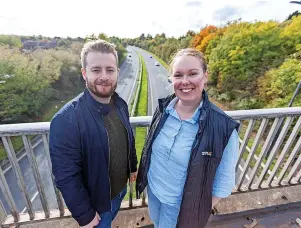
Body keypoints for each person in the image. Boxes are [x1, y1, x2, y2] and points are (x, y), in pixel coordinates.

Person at [136, 48, 240, 228]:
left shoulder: (223, 127)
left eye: (193, 73)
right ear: (172, 79)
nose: (185, 81)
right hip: (154, 193)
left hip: (180, 207)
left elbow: (224, 183)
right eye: (178, 75)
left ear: (205, 76)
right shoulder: (163, 109)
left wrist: (195, 212)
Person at [49, 39, 138, 228]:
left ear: (117, 72)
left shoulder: (120, 103)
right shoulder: (67, 119)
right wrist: (85, 215)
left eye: (110, 70)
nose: (104, 76)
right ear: (84, 73)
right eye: (96, 70)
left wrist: (132, 166)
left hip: (119, 192)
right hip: (97, 207)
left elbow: (127, 137)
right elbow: (66, 176)